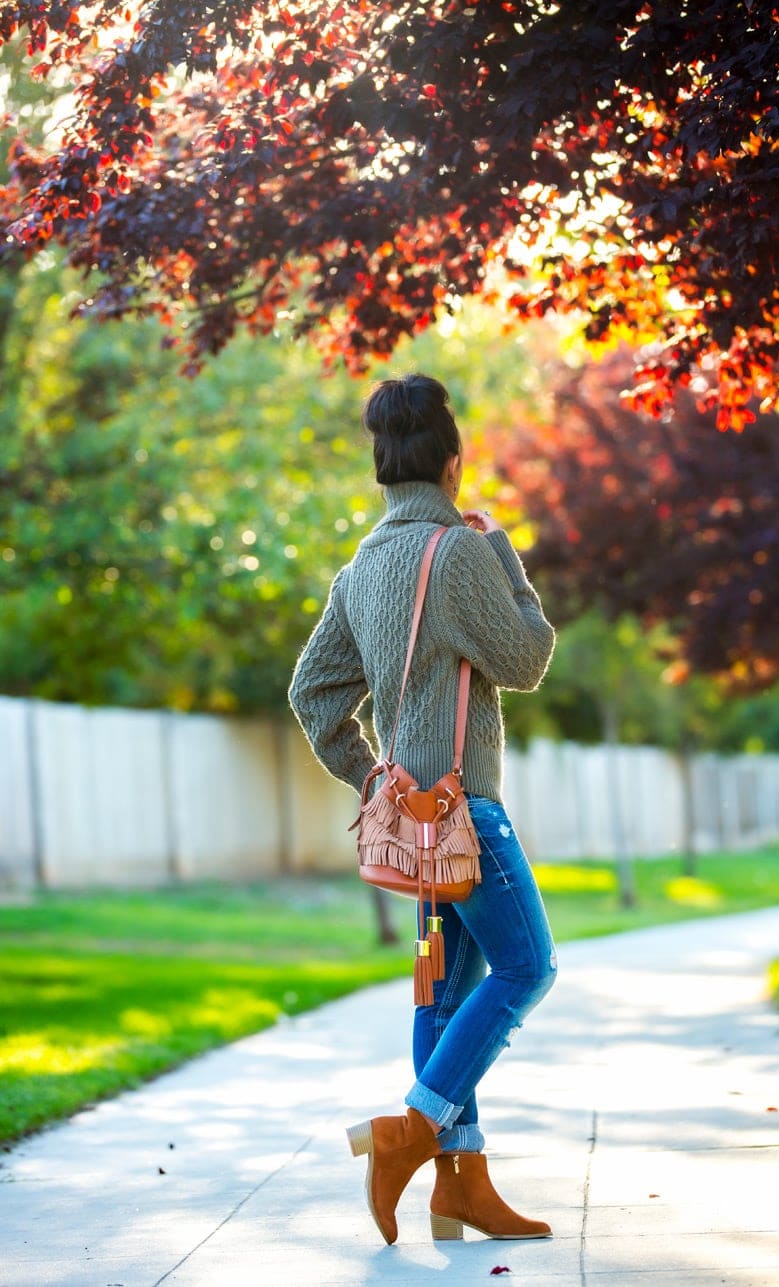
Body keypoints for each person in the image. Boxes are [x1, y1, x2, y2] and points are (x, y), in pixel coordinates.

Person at [288, 373, 557, 1245]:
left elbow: (314, 691)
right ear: (452, 462)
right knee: (528, 967)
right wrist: (508, 558)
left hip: (415, 825)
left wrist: (371, 778)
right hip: (467, 816)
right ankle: (412, 1127)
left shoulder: (362, 567)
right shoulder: (463, 553)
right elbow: (525, 658)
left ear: (383, 466)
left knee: (439, 996)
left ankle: (462, 1189)